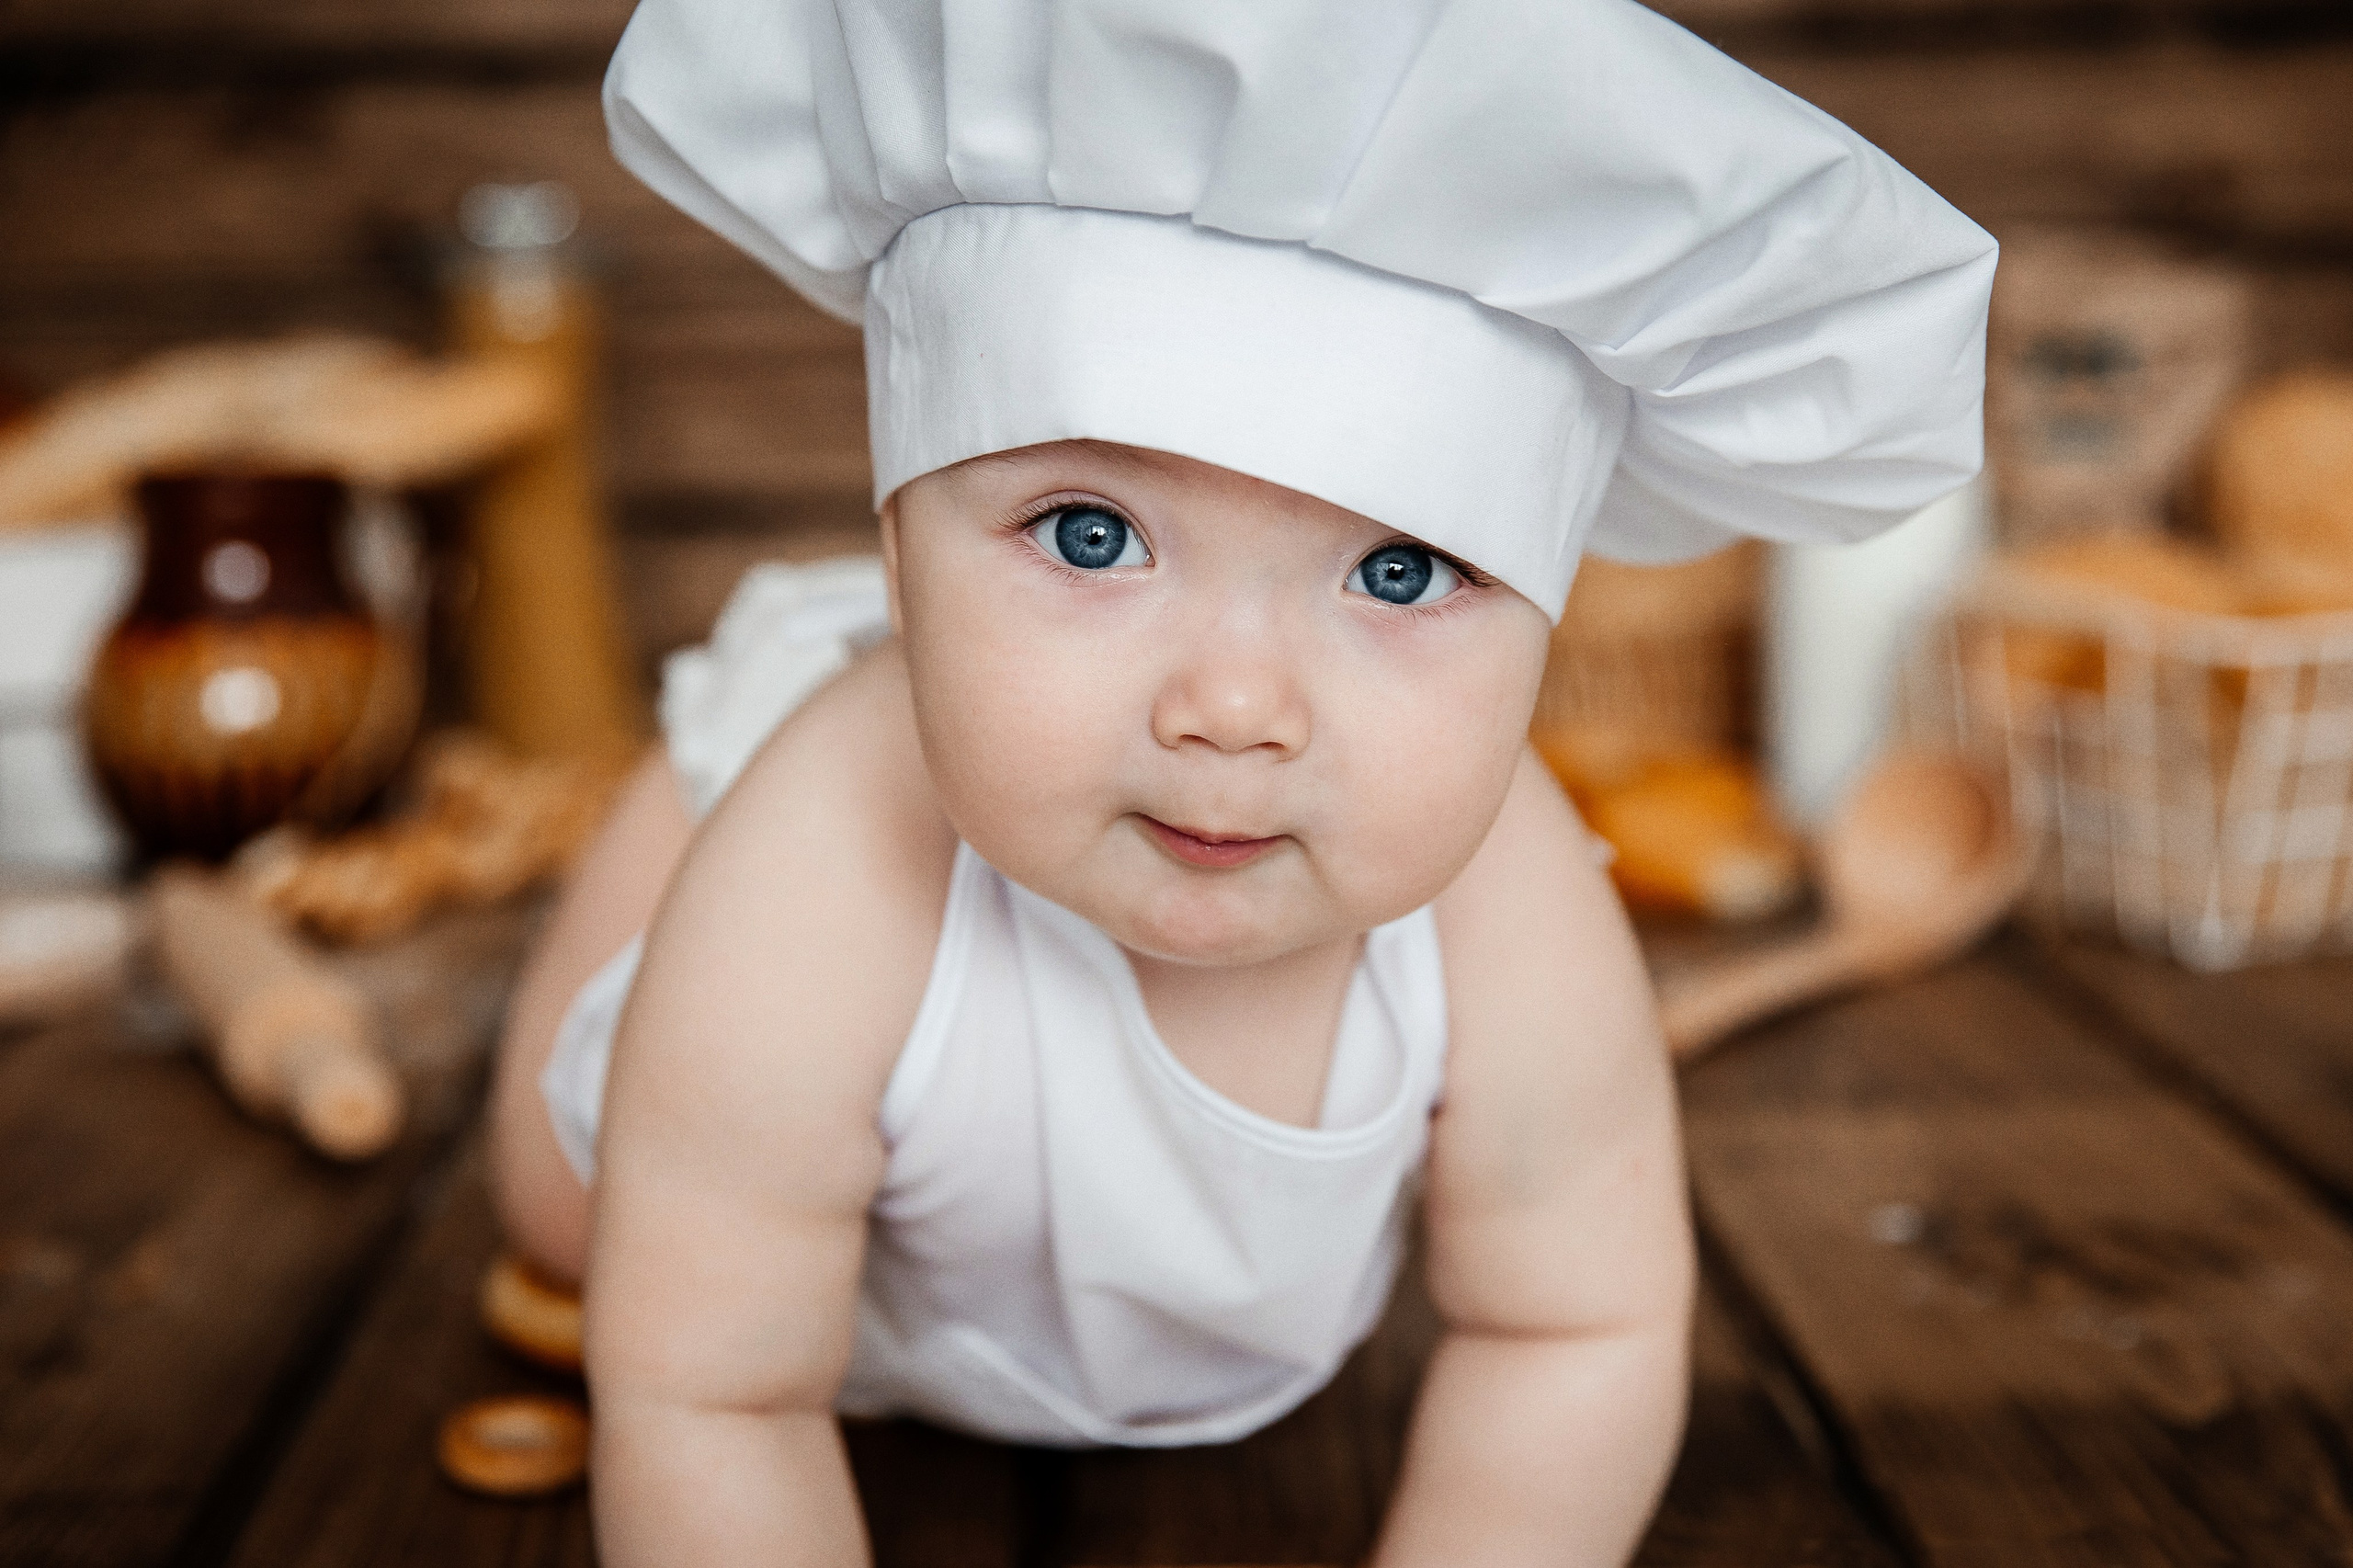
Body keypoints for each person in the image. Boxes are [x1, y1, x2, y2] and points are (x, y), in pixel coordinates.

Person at [486, 0, 1996, 1561]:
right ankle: (688, 785)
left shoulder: (1509, 896)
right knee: (571, 1215)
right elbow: (710, 1397)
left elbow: (1578, 1329)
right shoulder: (823, 863)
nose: (1235, 706)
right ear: (901, 549)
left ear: (1549, 625)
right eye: (1093, 534)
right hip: (780, 1148)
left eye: (1401, 572)